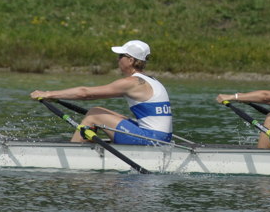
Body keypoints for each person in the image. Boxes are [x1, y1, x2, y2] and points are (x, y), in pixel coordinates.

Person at [29, 40, 173, 146]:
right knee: (97, 111)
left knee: (93, 116)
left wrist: (48, 94)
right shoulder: (152, 80)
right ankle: (86, 145)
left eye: (120, 56)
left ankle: (75, 153)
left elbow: (86, 93)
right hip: (162, 138)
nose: (118, 60)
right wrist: (57, 97)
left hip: (152, 140)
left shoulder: (131, 83)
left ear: (130, 60)